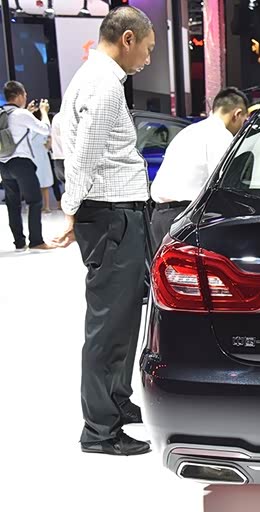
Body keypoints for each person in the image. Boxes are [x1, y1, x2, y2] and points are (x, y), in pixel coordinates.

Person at [51, 6, 156, 457]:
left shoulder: (96, 77)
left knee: (124, 315)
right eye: (148, 49)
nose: (148, 59)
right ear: (128, 39)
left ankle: (116, 400)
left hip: (116, 214)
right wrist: (71, 210)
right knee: (109, 323)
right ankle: (99, 429)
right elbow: (85, 156)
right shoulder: (103, 84)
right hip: (111, 215)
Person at [148, 87, 249, 246]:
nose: (243, 125)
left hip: (159, 216)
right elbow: (221, 184)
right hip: (184, 217)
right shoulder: (221, 136)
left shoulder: (189, 131)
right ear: (237, 114)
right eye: (244, 120)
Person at [0, 83, 54, 251]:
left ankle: (19, 242)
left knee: (13, 204)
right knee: (35, 201)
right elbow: (45, 129)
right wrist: (43, 112)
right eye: (24, 94)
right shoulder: (21, 114)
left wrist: (28, 113)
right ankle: (36, 241)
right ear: (18, 95)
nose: (25, 97)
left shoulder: (3, 112)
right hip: (22, 164)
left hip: (4, 164)